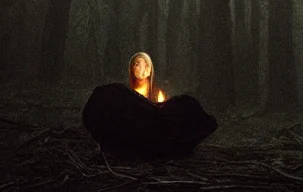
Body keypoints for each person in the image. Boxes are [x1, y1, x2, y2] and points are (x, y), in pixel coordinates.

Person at [82, 51, 217, 157]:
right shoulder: (118, 98)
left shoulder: (171, 109)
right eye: (137, 64)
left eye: (146, 65)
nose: (141, 68)